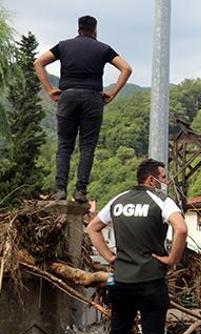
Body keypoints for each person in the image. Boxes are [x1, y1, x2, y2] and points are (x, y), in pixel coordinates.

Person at [86, 159, 187, 334]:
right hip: (152, 282)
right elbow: (181, 228)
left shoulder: (118, 200)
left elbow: (92, 228)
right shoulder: (161, 201)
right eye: (163, 176)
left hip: (121, 283)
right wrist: (171, 259)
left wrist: (109, 257)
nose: (166, 181)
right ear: (151, 179)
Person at [34, 15, 132, 202]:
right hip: (92, 99)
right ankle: (81, 191)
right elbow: (126, 68)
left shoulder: (63, 45)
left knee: (64, 145)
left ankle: (60, 190)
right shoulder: (103, 48)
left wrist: (49, 90)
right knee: (87, 147)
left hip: (67, 97)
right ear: (95, 30)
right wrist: (112, 93)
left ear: (78, 29)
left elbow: (38, 62)